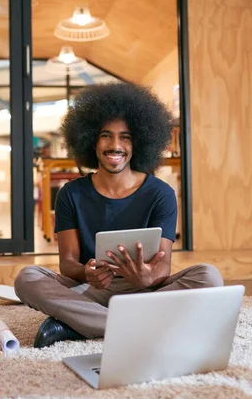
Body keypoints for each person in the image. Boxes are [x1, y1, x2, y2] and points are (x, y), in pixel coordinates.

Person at [14, 82, 224, 348]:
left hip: (146, 292)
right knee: (27, 278)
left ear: (140, 142)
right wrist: (87, 272)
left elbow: (163, 266)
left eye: (125, 136)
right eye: (106, 135)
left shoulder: (161, 194)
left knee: (209, 277)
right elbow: (67, 263)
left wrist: (148, 277)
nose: (116, 145)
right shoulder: (71, 193)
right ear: (91, 139)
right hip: (92, 291)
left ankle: (80, 324)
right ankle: (133, 324)